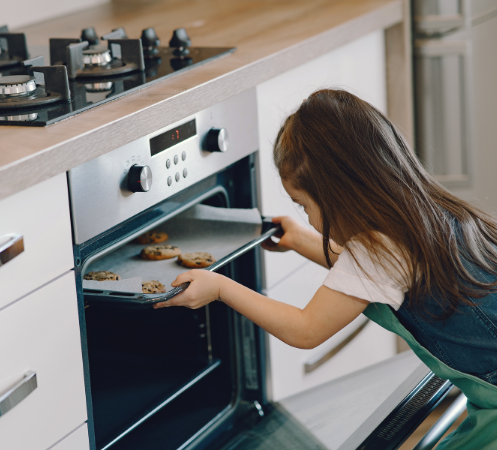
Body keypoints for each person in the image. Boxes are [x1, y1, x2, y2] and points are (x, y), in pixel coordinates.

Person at [154, 89, 497, 449]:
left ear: (340, 194)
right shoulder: (430, 214)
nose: (308, 216)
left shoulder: (377, 251)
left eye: (304, 205)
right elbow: (367, 279)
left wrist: (221, 287)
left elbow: (306, 330)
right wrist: (301, 239)